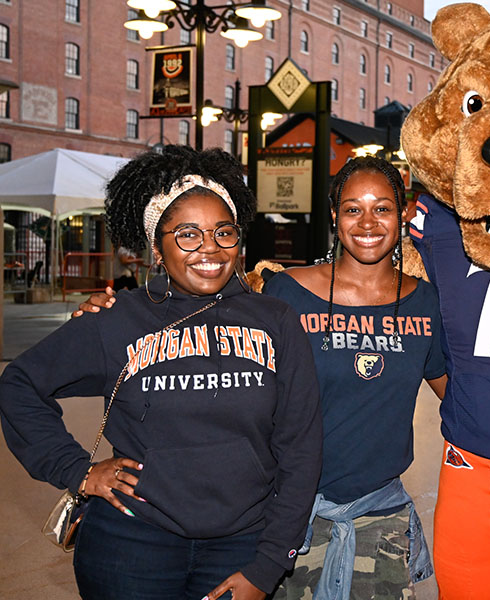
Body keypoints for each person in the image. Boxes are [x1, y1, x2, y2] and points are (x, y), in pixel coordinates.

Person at [76, 156, 448, 600]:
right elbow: (201, 318)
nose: (367, 221)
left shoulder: (425, 303)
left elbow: (463, 399)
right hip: (285, 514)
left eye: (382, 208)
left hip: (377, 514)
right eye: (352, 208)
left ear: (402, 213)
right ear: (334, 216)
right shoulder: (284, 292)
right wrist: (109, 313)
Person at [0, 145, 323, 600]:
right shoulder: (117, 319)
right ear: (156, 247)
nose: (209, 248)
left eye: (223, 232)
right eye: (188, 234)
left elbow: (301, 448)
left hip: (241, 543)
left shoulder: (275, 320)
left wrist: (269, 564)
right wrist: (77, 470)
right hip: (130, 544)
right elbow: (19, 385)